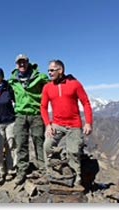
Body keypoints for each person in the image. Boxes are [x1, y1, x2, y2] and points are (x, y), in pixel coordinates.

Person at [40, 59, 93, 189]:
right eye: (48, 70)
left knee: (74, 152)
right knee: (47, 146)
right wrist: (48, 124)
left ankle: (77, 179)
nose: (49, 73)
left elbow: (86, 103)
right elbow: (43, 107)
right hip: (57, 124)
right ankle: (51, 172)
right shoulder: (47, 87)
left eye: (52, 70)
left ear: (61, 70)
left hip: (74, 125)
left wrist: (88, 123)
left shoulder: (74, 84)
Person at [8, 54, 49, 185]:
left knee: (39, 141)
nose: (21, 64)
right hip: (20, 115)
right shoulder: (13, 80)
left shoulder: (40, 77)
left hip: (36, 114)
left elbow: (52, 86)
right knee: (20, 143)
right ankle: (22, 171)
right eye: (19, 62)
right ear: (16, 64)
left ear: (28, 62)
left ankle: (43, 169)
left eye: (23, 62)